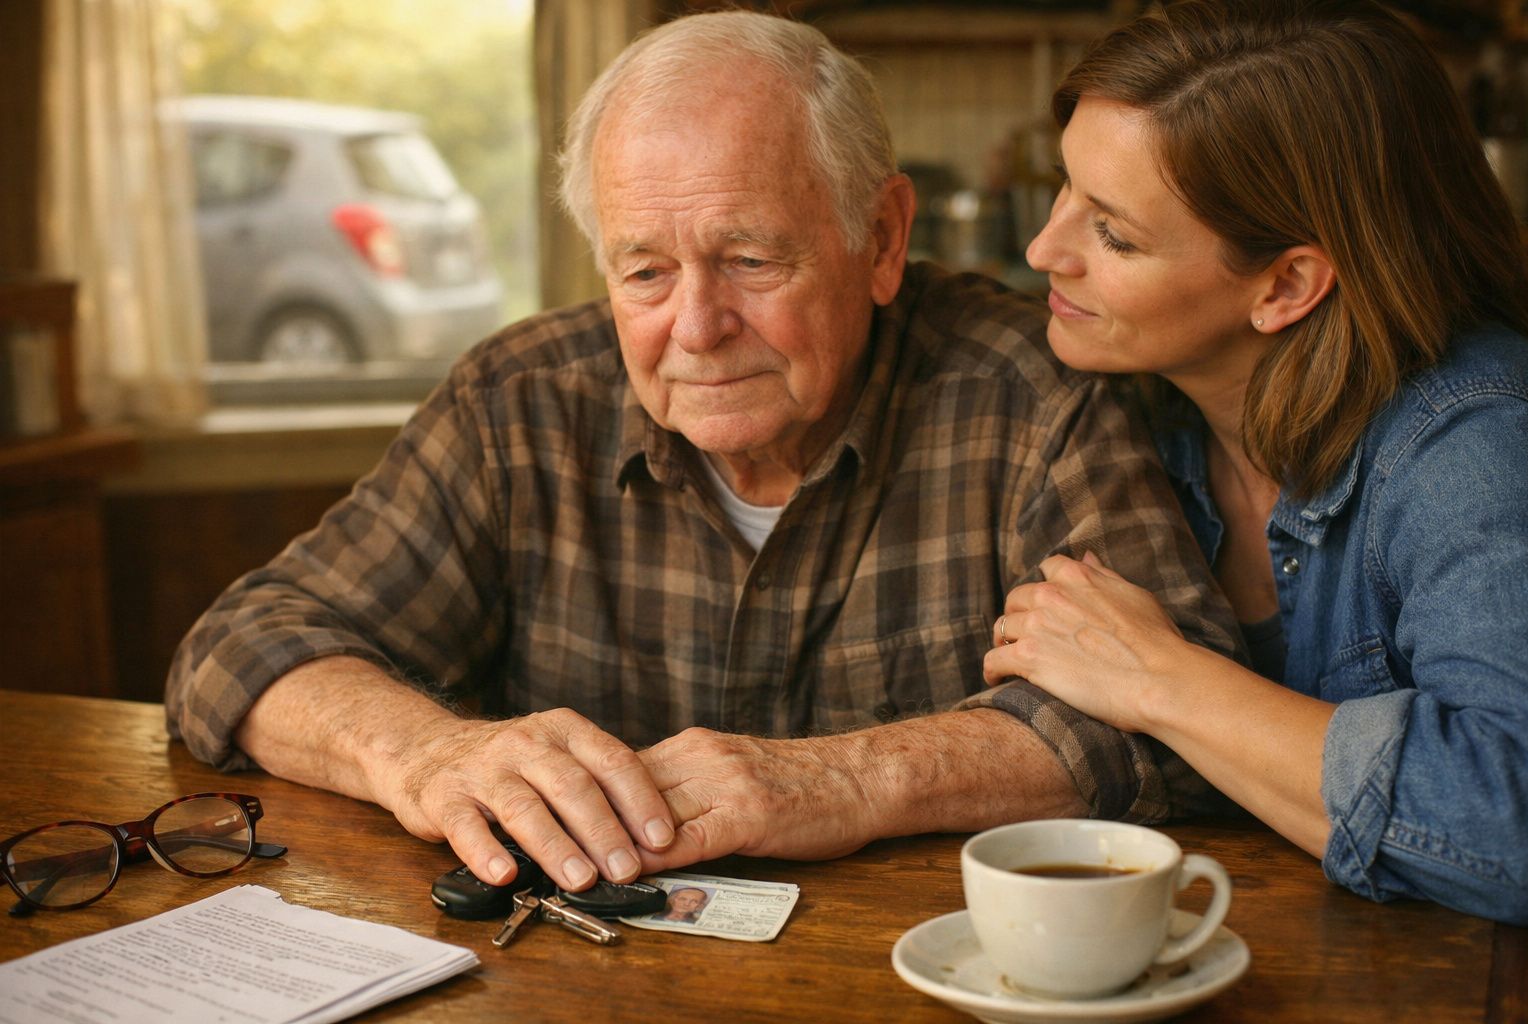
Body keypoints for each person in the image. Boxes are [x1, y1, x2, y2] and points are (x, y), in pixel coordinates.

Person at [166, 11, 1237, 896]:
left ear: (882, 239)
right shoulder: (518, 402)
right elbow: (240, 647)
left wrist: (848, 780)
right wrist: (429, 751)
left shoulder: (1033, 396)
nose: (695, 325)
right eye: (643, 272)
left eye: (750, 257)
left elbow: (1187, 716)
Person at [985, 0, 1528, 923]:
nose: (1045, 249)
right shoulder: (1139, 408)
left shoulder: (1470, 447)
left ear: (1285, 285)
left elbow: (1513, 822)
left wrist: (1159, 679)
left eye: (1113, 235)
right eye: (1063, 187)